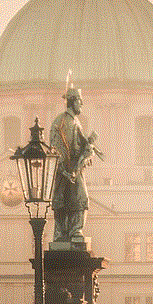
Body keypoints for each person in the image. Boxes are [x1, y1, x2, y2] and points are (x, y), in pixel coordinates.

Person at [49, 85, 102, 245]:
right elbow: (56, 146)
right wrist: (65, 170)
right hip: (65, 169)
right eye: (80, 100)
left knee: (80, 198)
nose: (82, 104)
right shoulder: (61, 121)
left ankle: (75, 230)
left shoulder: (75, 122)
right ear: (72, 101)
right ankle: (62, 233)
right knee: (62, 201)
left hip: (76, 168)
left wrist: (87, 152)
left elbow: (78, 145)